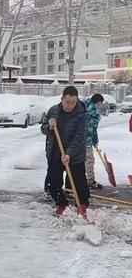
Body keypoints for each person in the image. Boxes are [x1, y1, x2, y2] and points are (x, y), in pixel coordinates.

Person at [41, 86, 90, 216]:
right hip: (55, 153)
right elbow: (43, 129)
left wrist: (68, 154)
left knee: (79, 184)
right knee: (53, 184)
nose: (70, 105)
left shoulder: (81, 113)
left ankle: (82, 205)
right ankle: (61, 203)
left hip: (75, 154)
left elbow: (79, 136)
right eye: (67, 102)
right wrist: (50, 126)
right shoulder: (53, 111)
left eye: (73, 102)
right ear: (61, 99)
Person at [84, 93, 104, 189]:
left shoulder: (83, 105)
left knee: (80, 160)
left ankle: (81, 179)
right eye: (100, 103)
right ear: (98, 102)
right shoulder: (93, 112)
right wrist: (94, 138)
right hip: (86, 140)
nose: (100, 106)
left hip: (77, 139)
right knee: (89, 160)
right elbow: (92, 128)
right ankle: (90, 180)